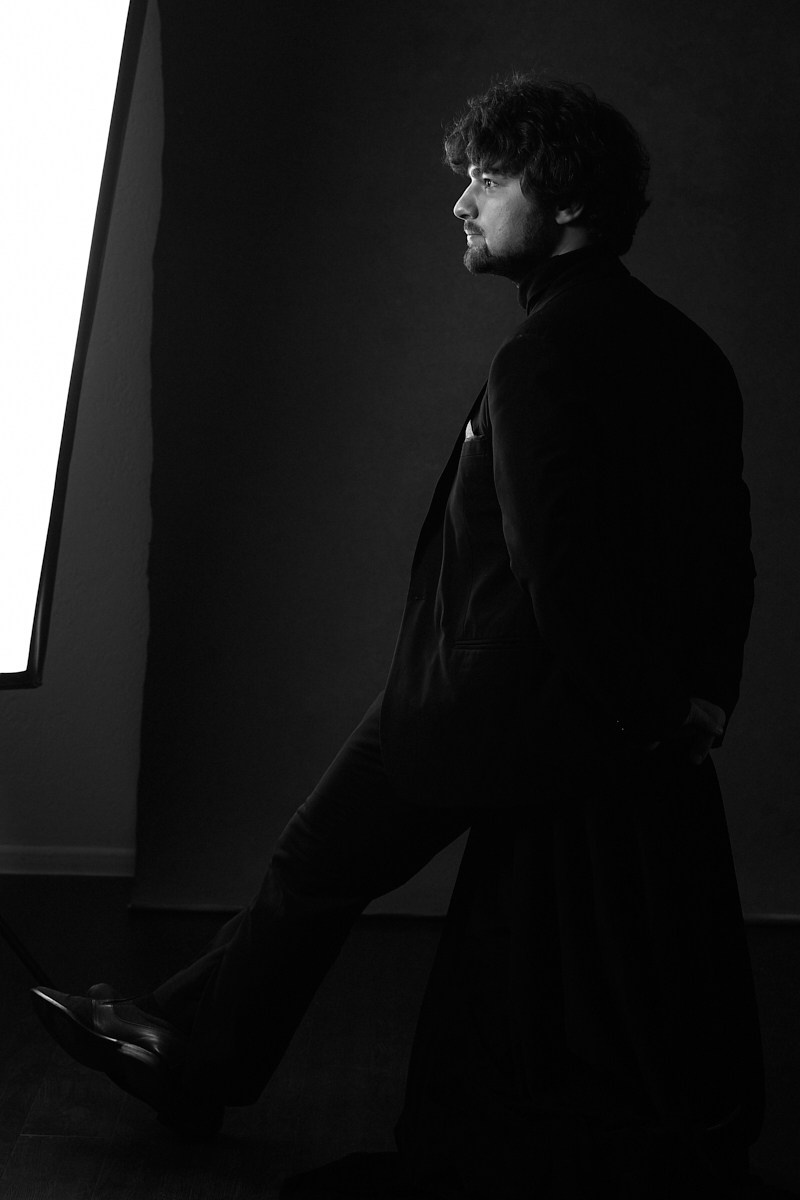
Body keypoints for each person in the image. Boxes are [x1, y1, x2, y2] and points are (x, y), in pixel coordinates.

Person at [31, 74, 763, 1198]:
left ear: (569, 203)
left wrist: (642, 709)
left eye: (488, 179)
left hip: (480, 705)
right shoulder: (686, 348)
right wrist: (697, 697)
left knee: (312, 869)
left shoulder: (543, 354)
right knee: (316, 874)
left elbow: (557, 569)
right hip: (564, 706)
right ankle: (182, 1046)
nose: (461, 203)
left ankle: (190, 1058)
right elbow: (724, 549)